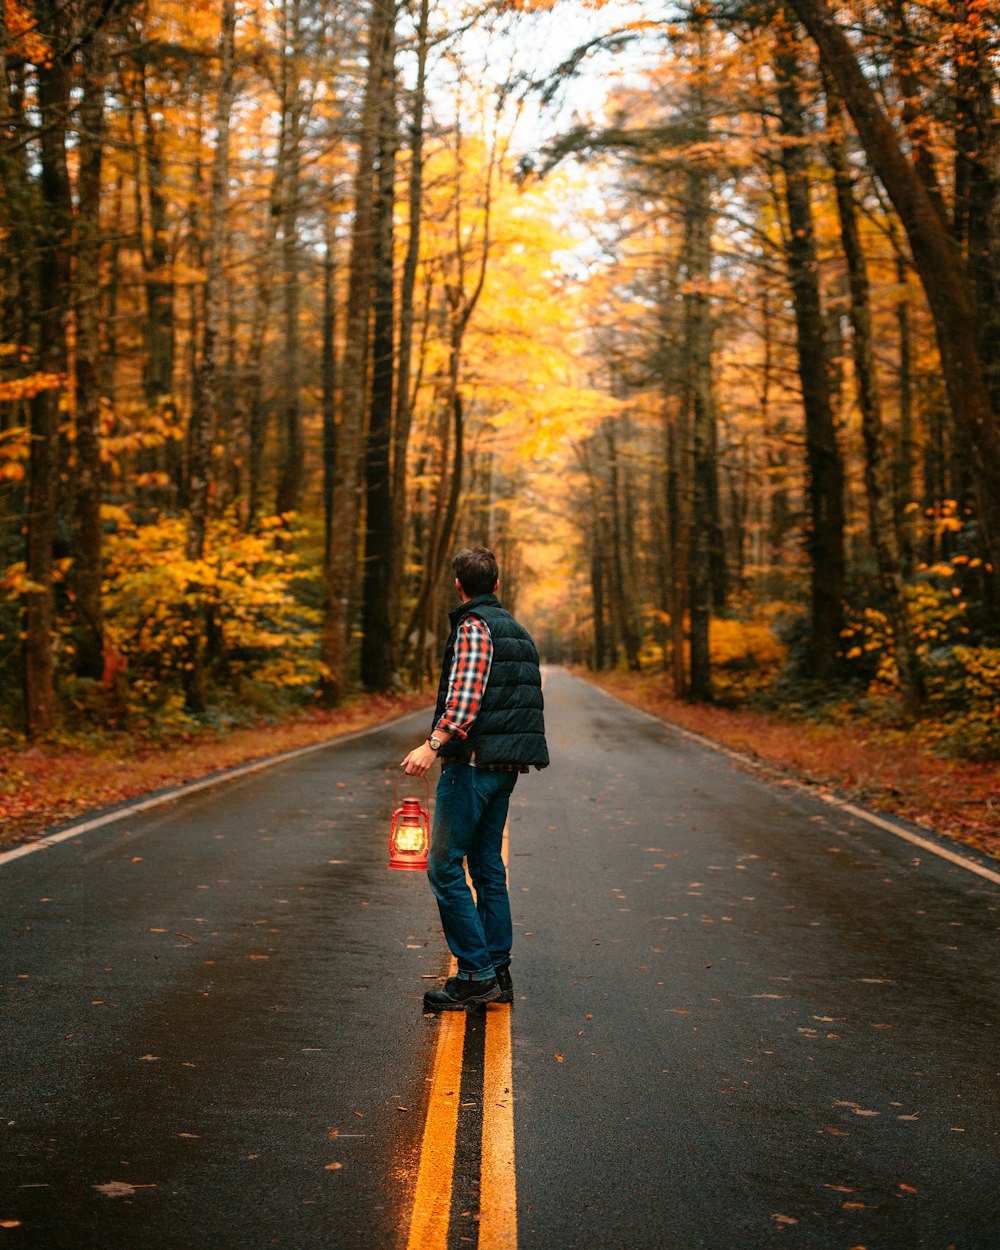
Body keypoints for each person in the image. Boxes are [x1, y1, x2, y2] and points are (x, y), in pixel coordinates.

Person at [401, 546, 549, 1012]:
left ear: (458, 584)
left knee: (444, 868)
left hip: (471, 765)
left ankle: (474, 975)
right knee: (486, 867)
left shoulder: (473, 626)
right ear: (497, 584)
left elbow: (465, 698)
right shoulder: (518, 631)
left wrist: (434, 744)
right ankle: (497, 970)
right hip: (505, 766)